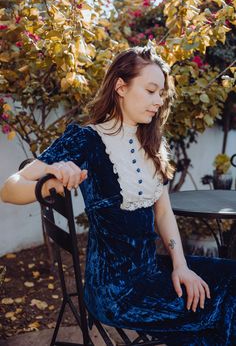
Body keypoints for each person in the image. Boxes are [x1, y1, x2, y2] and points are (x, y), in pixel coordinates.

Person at [1, 46, 236, 346]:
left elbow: (163, 213)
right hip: (115, 291)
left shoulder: (152, 143)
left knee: (230, 282)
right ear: (121, 87)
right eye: (151, 90)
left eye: (161, 93)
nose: (158, 101)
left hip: (152, 269)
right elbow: (10, 189)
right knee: (214, 306)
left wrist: (181, 266)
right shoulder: (86, 140)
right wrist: (50, 179)